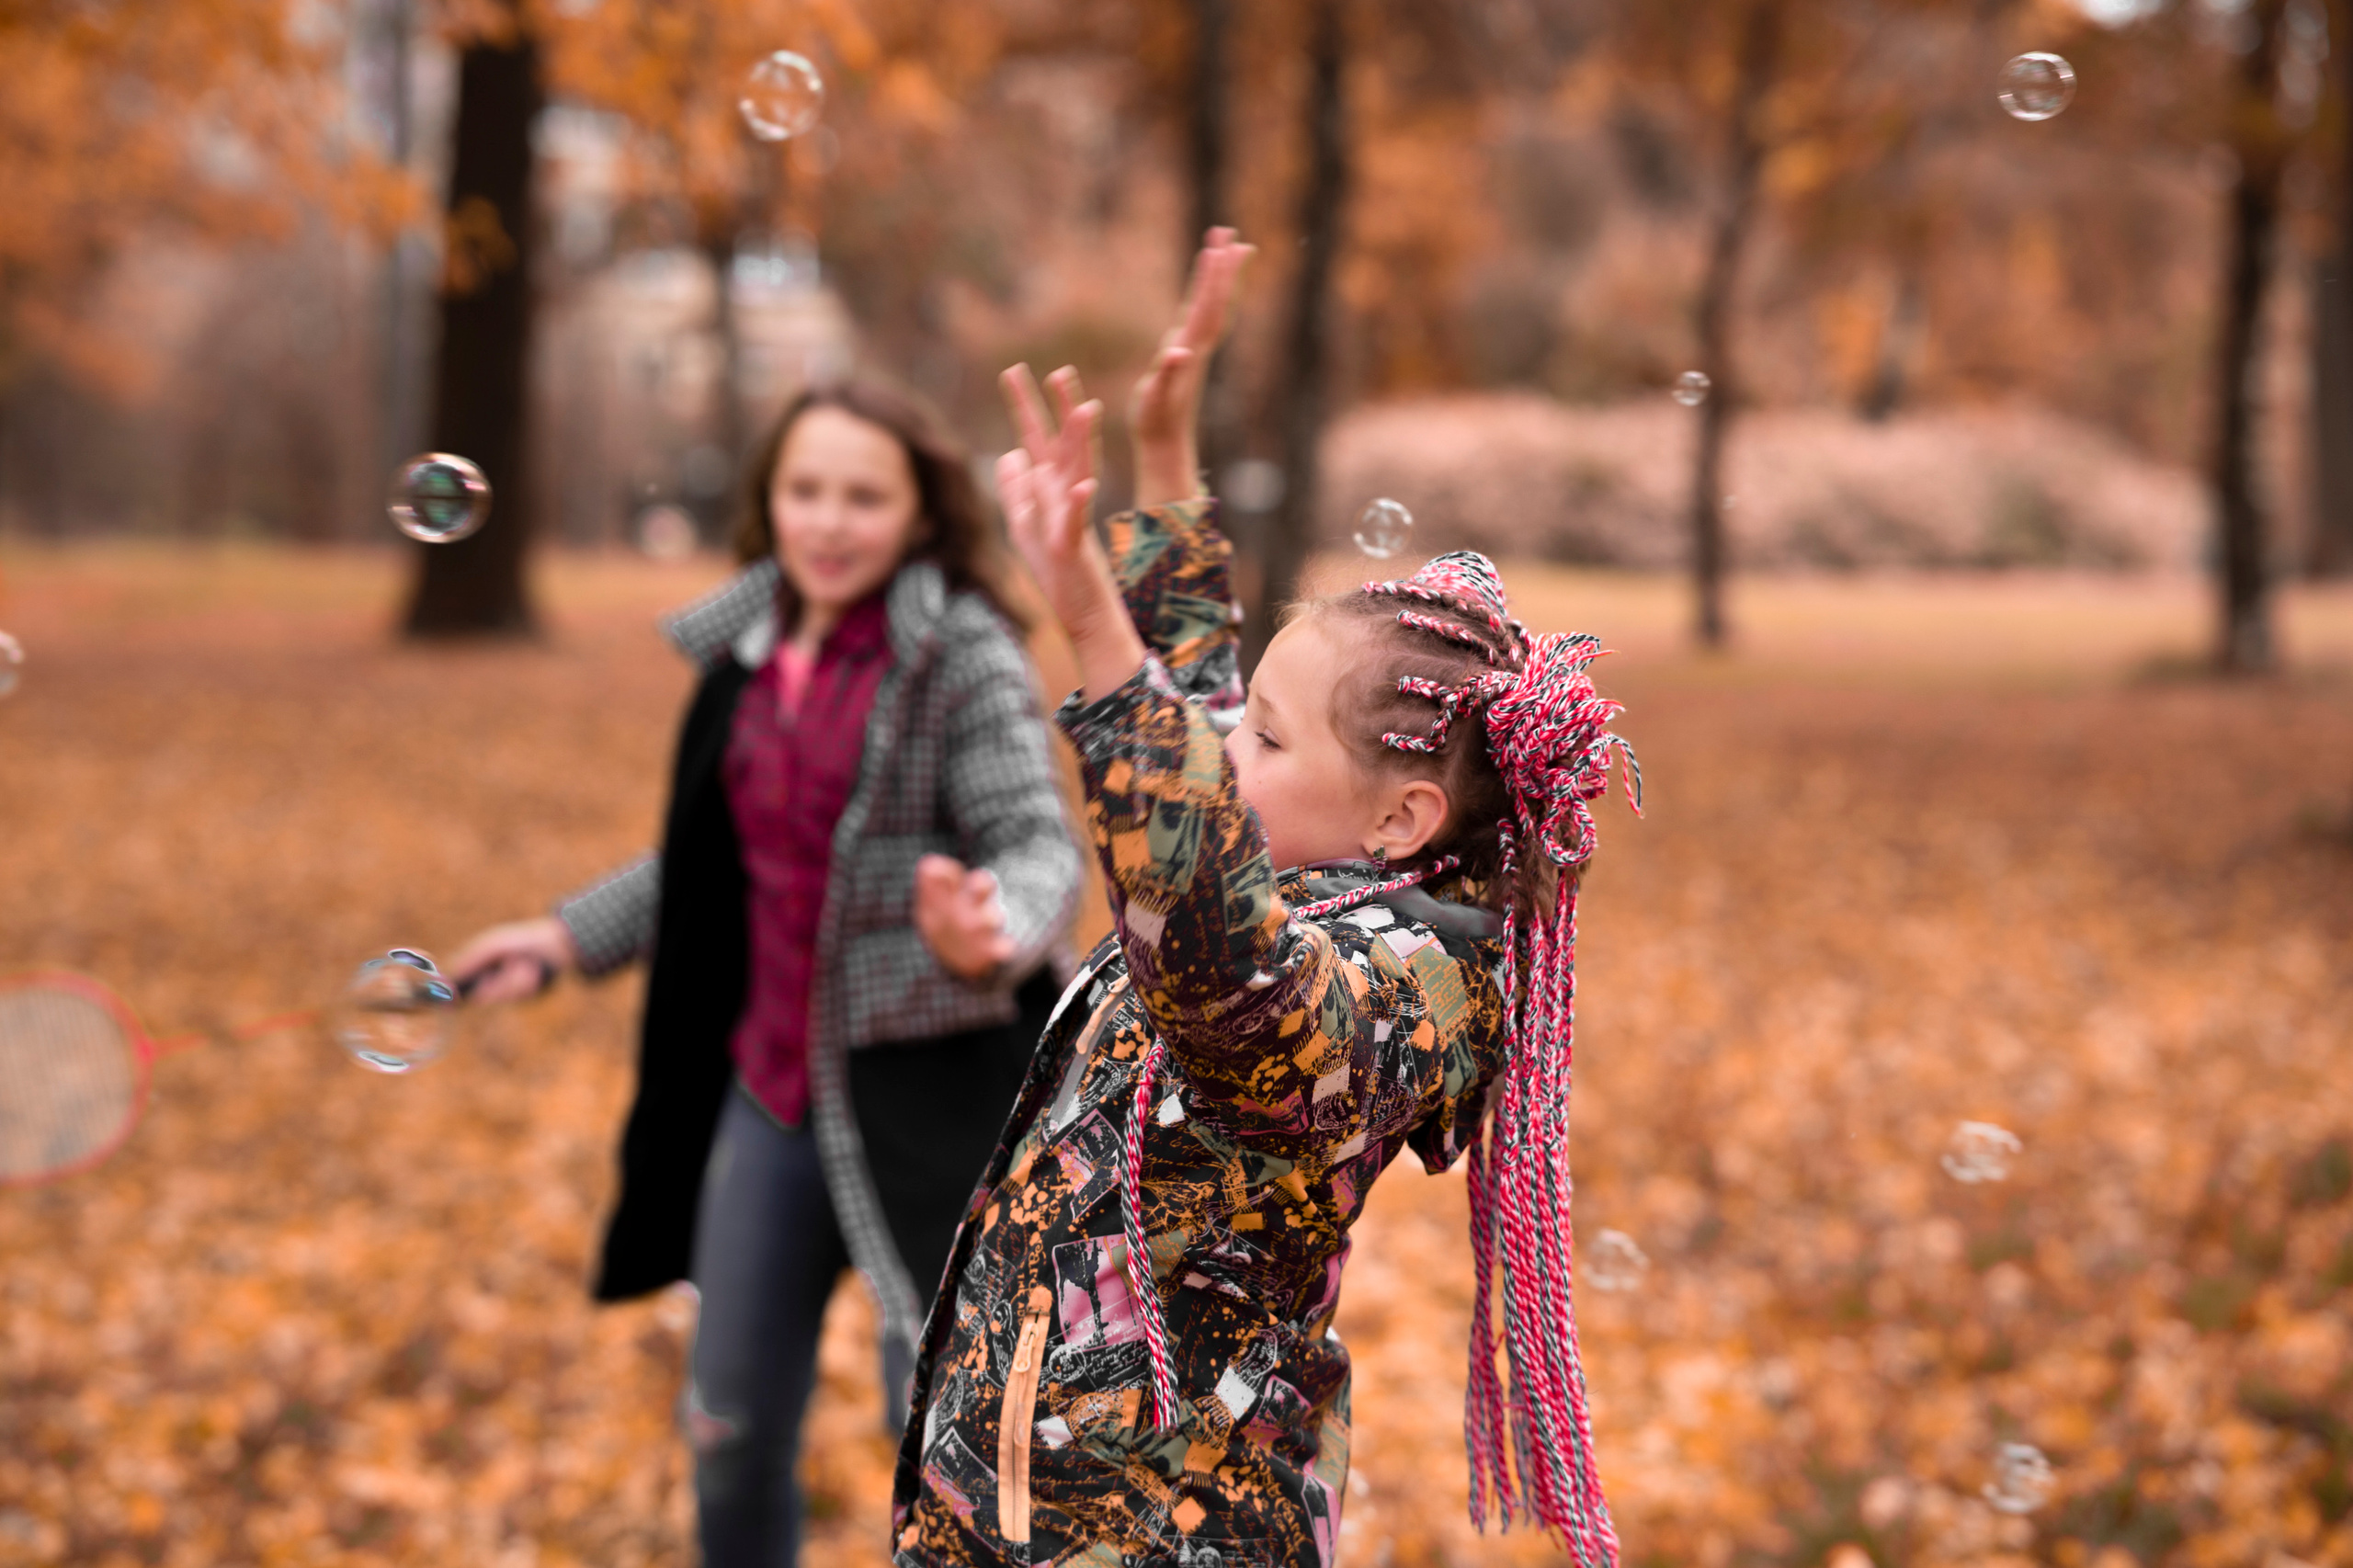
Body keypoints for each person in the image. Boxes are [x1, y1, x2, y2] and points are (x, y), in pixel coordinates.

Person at [885, 231, 1643, 1568]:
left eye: (1268, 740)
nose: (1225, 738)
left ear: (1398, 819)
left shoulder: (1413, 983)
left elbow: (1234, 977)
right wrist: (1170, 457)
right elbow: (1206, 717)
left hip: (1162, 1532)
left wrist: (1086, 618)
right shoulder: (1309, 840)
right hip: (1012, 1499)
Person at [447, 373, 1087, 1567]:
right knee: (727, 1430)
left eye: (862, 495)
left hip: (942, 1105)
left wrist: (994, 924)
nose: (829, 521)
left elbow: (1037, 842)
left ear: (919, 513)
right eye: (805, 490)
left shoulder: (959, 651)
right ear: (769, 500)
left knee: (953, 1456)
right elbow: (716, 859)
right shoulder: (745, 646)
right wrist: (560, 937)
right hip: (775, 1099)